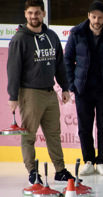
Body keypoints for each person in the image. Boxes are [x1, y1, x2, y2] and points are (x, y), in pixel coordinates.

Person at [7, 0, 79, 184]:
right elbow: (13, 69)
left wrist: (64, 87)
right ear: (25, 14)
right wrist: (13, 96)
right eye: (30, 13)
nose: (34, 16)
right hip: (30, 94)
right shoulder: (19, 39)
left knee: (54, 134)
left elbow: (60, 64)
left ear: (43, 14)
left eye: (37, 13)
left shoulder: (52, 36)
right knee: (29, 134)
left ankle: (60, 170)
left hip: (50, 93)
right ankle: (32, 172)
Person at [64, 1, 103, 176]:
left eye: (100, 17)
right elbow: (67, 60)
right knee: (84, 127)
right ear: (88, 16)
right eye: (94, 17)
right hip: (83, 89)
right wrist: (72, 85)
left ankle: (102, 161)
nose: (97, 20)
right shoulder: (77, 33)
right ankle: (89, 161)